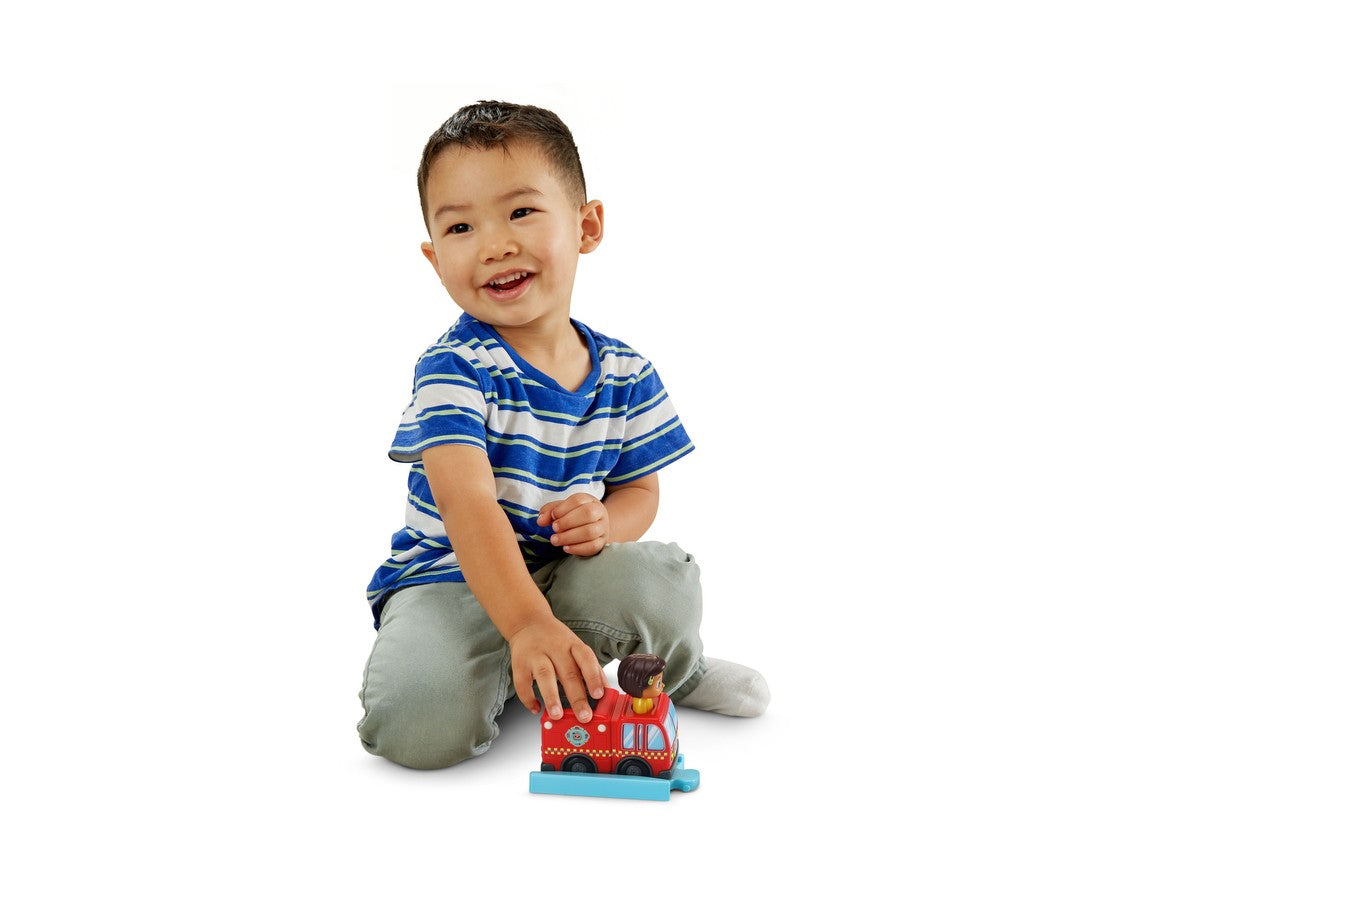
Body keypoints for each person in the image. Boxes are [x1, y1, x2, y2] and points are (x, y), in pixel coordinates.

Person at [357, 101, 769, 770]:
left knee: (660, 585)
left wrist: (606, 522)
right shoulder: (453, 369)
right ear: (434, 258)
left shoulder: (626, 371)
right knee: (417, 730)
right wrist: (525, 624)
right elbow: (466, 503)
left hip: (565, 575)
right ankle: (509, 663)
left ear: (587, 226)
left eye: (520, 211)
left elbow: (639, 490)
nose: (494, 245)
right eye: (461, 227)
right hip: (452, 580)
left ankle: (674, 670)